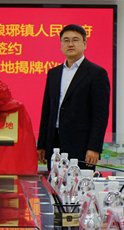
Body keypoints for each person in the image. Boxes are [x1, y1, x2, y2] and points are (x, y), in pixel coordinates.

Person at [37, 24, 110, 169]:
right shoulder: (53, 73)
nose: (70, 44)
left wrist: (94, 147)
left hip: (81, 145)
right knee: (54, 181)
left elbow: (100, 115)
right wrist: (42, 144)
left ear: (84, 44)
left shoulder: (97, 73)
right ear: (61, 45)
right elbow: (47, 111)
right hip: (54, 143)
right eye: (66, 40)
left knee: (79, 181)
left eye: (75, 40)